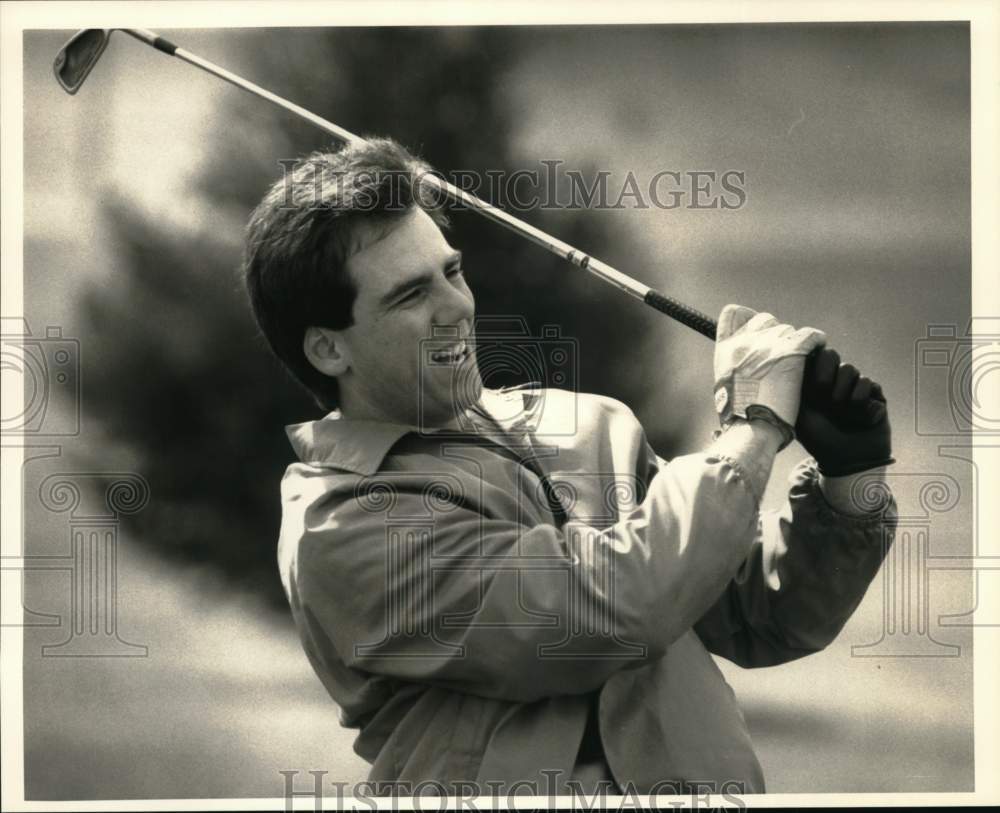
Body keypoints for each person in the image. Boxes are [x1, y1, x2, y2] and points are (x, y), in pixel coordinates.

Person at [242, 138, 897, 798]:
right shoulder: (341, 525)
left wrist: (850, 481)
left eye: (453, 271)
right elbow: (607, 609)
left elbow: (760, 613)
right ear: (329, 349)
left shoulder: (589, 424)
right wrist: (754, 424)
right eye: (411, 294)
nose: (457, 306)